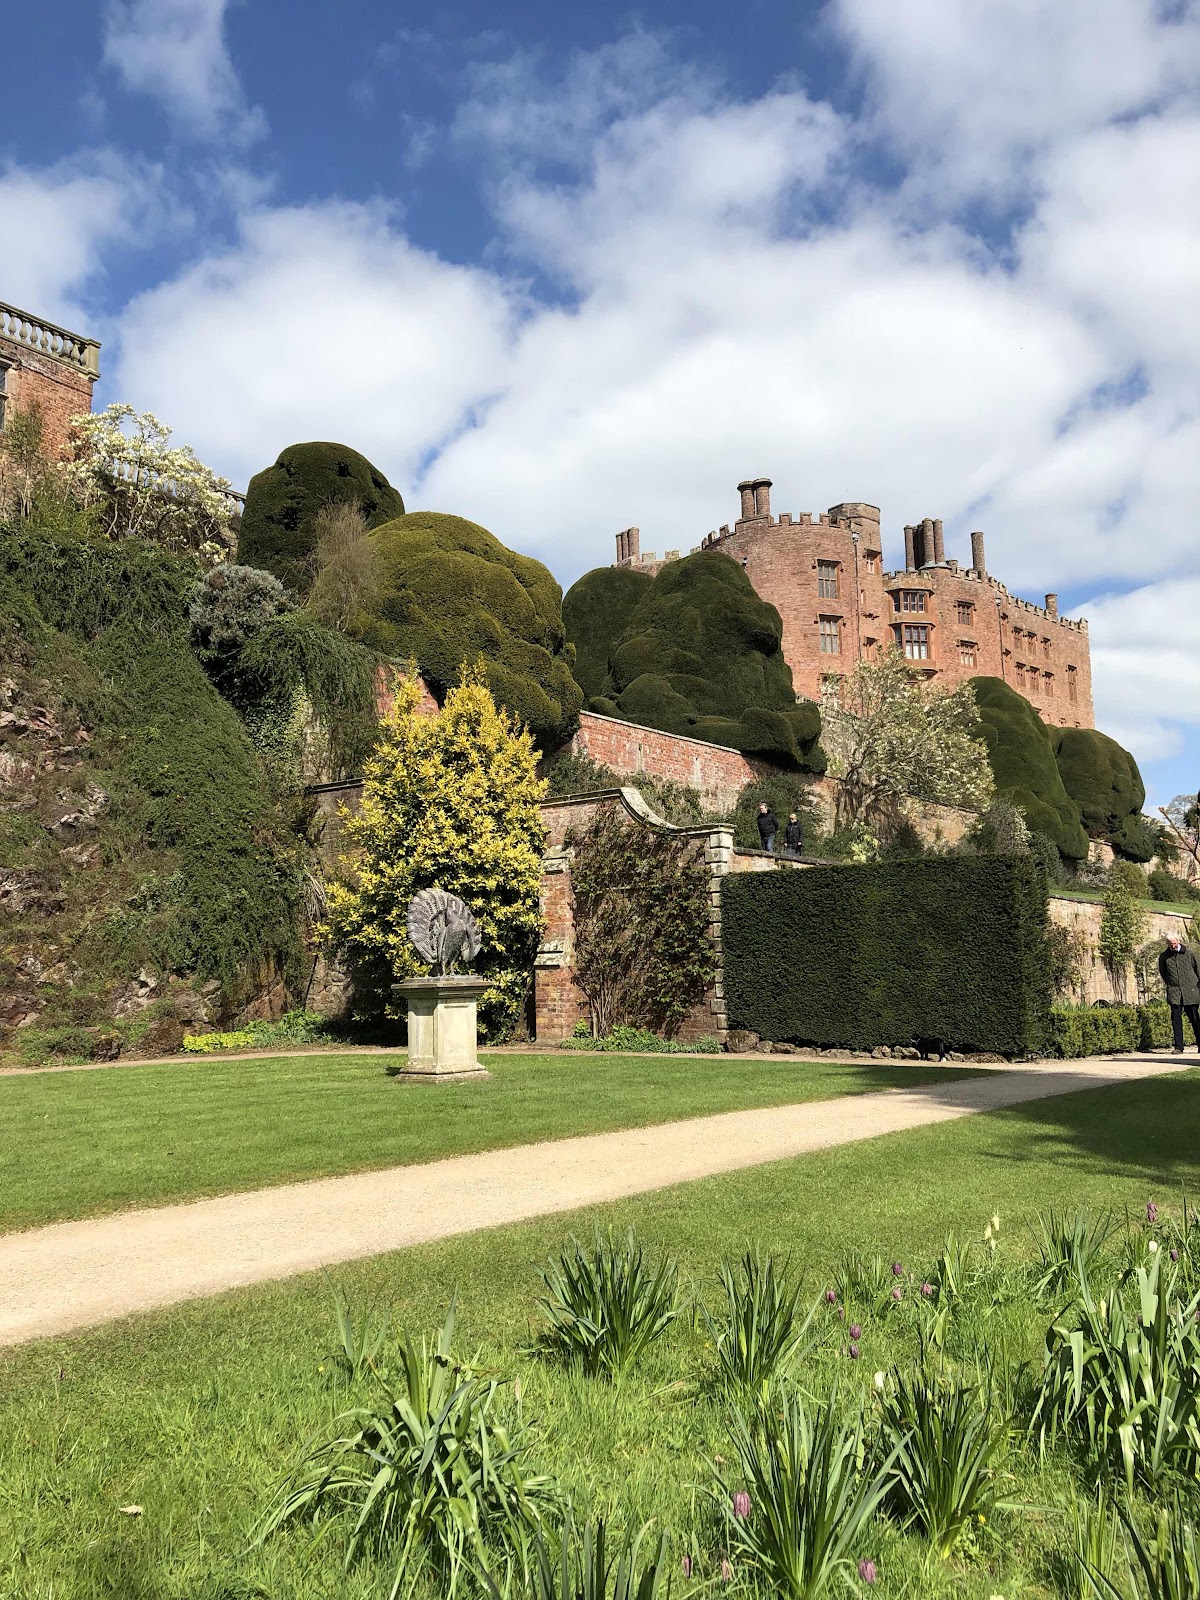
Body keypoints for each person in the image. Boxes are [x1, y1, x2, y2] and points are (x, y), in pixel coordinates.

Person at [1158, 933, 1200, 1053]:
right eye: (1171, 945)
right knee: (1176, 1020)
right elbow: (1163, 973)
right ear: (1167, 944)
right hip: (1175, 993)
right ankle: (1178, 1047)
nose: (1173, 946)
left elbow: (1198, 968)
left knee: (1195, 1019)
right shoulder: (1164, 957)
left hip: (1190, 991)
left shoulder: (1189, 953)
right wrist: (1171, 984)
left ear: (1178, 941)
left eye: (1175, 943)